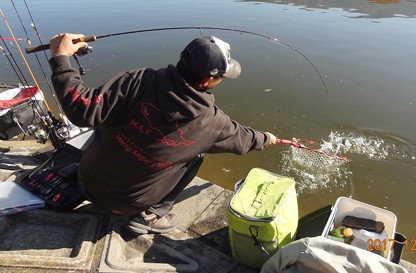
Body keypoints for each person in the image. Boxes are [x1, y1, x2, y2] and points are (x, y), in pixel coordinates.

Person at [49, 33, 277, 234]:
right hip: (127, 205)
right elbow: (245, 139)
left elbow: (82, 109)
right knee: (196, 155)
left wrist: (61, 58)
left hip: (86, 182)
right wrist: (267, 138)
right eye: (220, 77)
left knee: (111, 115)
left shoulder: (136, 81)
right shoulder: (214, 124)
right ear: (208, 80)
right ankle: (151, 215)